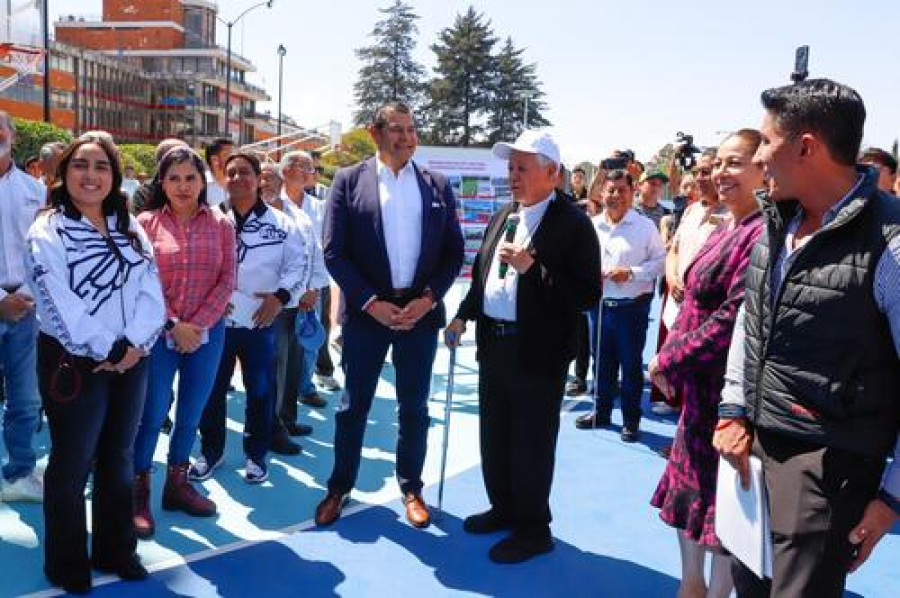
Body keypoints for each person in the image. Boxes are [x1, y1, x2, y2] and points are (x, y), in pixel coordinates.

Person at [714, 79, 900, 597]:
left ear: (806, 147)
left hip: (829, 468)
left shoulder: (892, 245)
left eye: (768, 142)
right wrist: (734, 410)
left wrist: (891, 499)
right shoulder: (776, 221)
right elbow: (750, 324)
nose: (761, 156)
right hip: (753, 453)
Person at [445, 130, 601, 563]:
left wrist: (534, 269)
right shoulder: (503, 215)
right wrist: (462, 315)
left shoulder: (573, 223)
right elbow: (483, 279)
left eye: (523, 168)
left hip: (539, 353)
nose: (513, 176)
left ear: (552, 174)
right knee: (494, 436)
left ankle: (534, 528)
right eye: (511, 167)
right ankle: (504, 508)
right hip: (494, 346)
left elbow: (587, 295)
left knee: (531, 443)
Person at [26, 135, 166, 593]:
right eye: (80, 166)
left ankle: (115, 549)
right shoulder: (48, 228)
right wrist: (107, 348)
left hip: (132, 359)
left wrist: (136, 345)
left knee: (119, 457)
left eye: (101, 166)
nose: (91, 175)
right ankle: (66, 562)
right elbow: (55, 300)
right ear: (64, 174)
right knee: (72, 461)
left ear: (114, 175)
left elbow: (151, 288)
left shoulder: (129, 225)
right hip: (73, 360)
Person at [314, 100, 463, 529]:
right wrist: (370, 304)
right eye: (397, 128)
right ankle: (340, 487)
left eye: (412, 128)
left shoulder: (436, 184)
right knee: (352, 406)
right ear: (375, 132)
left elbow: (453, 252)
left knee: (414, 407)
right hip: (367, 316)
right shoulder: (347, 181)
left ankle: (411, 487)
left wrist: (429, 298)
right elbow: (334, 252)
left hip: (419, 315)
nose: (407, 137)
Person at [648, 129, 765, 598]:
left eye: (735, 163)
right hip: (696, 395)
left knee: (722, 509)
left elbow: (730, 319)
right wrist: (670, 364)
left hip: (726, 396)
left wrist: (668, 359)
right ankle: (691, 587)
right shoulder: (728, 226)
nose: (721, 172)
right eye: (719, 163)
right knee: (692, 495)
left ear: (765, 168)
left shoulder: (761, 234)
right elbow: (693, 301)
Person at [131, 147, 236, 538]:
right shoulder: (144, 223)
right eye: (173, 178)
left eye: (190, 177)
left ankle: (177, 483)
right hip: (158, 335)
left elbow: (227, 280)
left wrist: (197, 326)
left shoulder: (222, 224)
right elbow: (142, 282)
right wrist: (175, 324)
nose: (182, 186)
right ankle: (138, 487)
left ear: (202, 181)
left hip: (207, 336)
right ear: (162, 182)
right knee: (153, 411)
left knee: (191, 412)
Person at [191, 152, 306, 484]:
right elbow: (194, 265)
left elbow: (297, 266)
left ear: (259, 179)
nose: (238, 178)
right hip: (215, 323)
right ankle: (210, 452)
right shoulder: (208, 220)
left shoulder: (282, 224)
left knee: (260, 391)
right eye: (231, 173)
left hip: (261, 323)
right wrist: (208, 299)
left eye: (245, 172)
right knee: (211, 391)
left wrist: (280, 298)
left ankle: (256, 455)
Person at [575, 170, 665, 441]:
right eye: (610, 190)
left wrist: (632, 273)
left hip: (631, 309)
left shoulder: (645, 227)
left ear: (631, 192)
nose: (615, 196)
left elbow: (660, 262)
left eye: (621, 190)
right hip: (599, 307)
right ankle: (601, 412)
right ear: (602, 193)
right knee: (601, 363)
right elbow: (579, 262)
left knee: (630, 366)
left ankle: (630, 419)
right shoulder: (591, 226)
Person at [0, 111, 45, 503]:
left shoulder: (36, 190)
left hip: (27, 309)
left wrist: (25, 297)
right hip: (5, 303)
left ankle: (19, 472)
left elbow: (46, 251)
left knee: (26, 398)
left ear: (12, 137)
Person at [280, 150, 330, 408]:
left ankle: (305, 387)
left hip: (311, 288)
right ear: (286, 171)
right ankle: (280, 398)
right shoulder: (272, 205)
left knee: (309, 339)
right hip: (278, 291)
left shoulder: (319, 208)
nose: (310, 171)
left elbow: (324, 249)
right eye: (304, 166)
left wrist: (312, 288)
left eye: (311, 167)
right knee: (280, 347)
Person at [204, 137, 234, 208]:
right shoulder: (201, 184)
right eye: (227, 155)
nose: (233, 158)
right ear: (214, 160)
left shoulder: (238, 182)